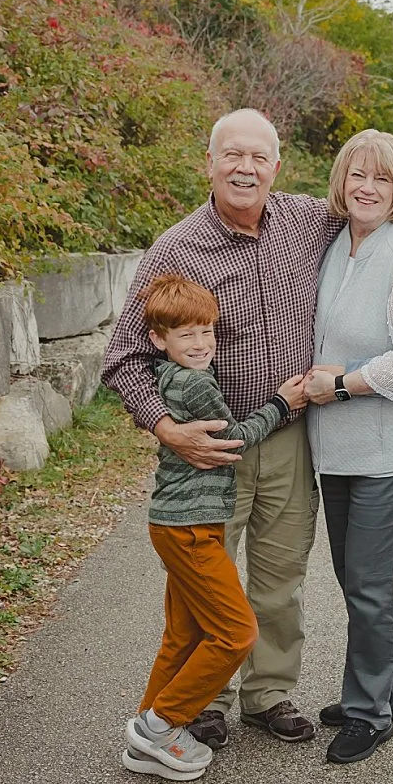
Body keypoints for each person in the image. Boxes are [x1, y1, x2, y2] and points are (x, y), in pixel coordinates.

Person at [102, 109, 345, 745]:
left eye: (258, 157)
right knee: (204, 582)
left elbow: (374, 203)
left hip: (288, 435)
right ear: (208, 164)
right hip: (209, 446)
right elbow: (123, 355)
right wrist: (164, 427)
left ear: (277, 166)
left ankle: (270, 694)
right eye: (232, 155)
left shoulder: (308, 221)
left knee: (281, 573)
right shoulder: (176, 248)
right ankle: (201, 700)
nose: (246, 168)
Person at [295, 129, 393, 766]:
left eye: (381, 179)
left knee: (367, 583)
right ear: (341, 181)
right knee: (361, 579)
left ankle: (368, 712)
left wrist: (343, 385)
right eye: (358, 175)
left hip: (389, 450)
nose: (367, 187)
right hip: (335, 449)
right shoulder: (335, 245)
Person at [124, 272, 308, 782]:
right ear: (158, 340)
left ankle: (148, 735)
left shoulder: (167, 375)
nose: (202, 343)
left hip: (174, 522)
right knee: (235, 631)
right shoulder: (197, 383)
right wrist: (281, 404)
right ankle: (162, 724)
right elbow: (235, 440)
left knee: (183, 634)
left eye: (207, 331)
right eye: (187, 335)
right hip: (192, 528)